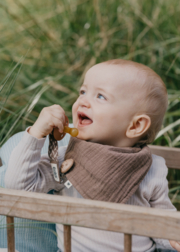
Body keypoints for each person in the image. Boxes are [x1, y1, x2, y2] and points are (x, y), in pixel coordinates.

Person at [5, 59, 179, 251]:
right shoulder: (68, 160)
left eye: (101, 96)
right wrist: (36, 133)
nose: (82, 101)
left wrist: (172, 238)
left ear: (136, 126)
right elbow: (19, 187)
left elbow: (161, 223)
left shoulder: (151, 168)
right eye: (83, 92)